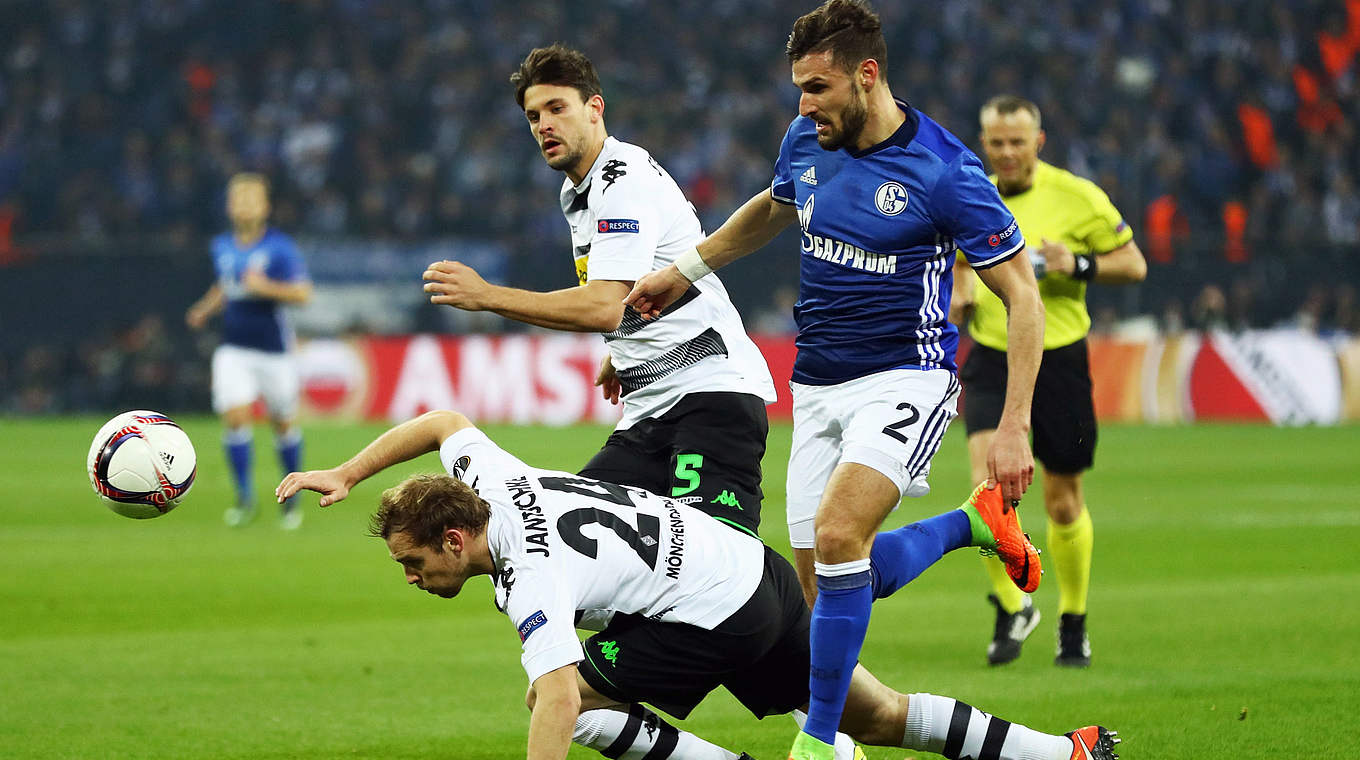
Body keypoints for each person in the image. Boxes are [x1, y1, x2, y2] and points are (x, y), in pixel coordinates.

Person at [624, 3, 1046, 757]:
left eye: (817, 87)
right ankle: (970, 525)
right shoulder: (805, 140)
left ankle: (819, 742)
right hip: (816, 384)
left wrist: (1014, 424)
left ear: (867, 75)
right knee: (826, 590)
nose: (803, 104)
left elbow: (1022, 294)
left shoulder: (944, 169)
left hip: (906, 378)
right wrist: (682, 272)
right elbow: (774, 208)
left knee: (839, 534)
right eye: (798, 88)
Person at [274, 409, 1121, 760]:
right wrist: (349, 471)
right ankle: (1065, 754)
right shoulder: (488, 478)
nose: (414, 578)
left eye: (416, 562)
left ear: (455, 539)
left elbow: (560, 698)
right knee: (872, 714)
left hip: (713, 611)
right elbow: (443, 423)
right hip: (746, 570)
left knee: (563, 704)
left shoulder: (531, 570)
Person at [420, 45, 775, 539]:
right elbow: (633, 290)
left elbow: (604, 305)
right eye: (533, 116)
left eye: (557, 108)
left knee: (712, 568)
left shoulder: (620, 179)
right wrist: (625, 348)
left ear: (595, 108)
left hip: (709, 397)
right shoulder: (581, 191)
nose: (544, 125)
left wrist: (488, 296)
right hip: (652, 409)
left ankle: (800, 613)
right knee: (573, 547)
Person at [951, 95, 1147, 668]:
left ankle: (1073, 619)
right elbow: (963, 263)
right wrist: (960, 292)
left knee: (1063, 503)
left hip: (1059, 358)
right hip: (992, 353)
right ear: (984, 144)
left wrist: (1078, 265)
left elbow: (1133, 264)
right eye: (996, 143)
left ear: (1038, 141)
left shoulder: (1077, 197)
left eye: (1018, 142)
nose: (1007, 152)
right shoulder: (972, 192)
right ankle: (1013, 606)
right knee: (986, 491)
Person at [186, 172, 312, 529]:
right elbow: (226, 286)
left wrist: (265, 287)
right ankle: (244, 498)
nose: (244, 205)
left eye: (251, 199)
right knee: (235, 417)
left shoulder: (280, 248)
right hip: (234, 349)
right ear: (229, 206)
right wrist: (204, 309)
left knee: (283, 425)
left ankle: (291, 502)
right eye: (238, 199)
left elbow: (303, 293)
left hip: (275, 351)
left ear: (265, 207)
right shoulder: (222, 246)